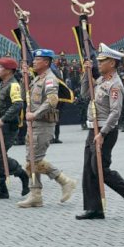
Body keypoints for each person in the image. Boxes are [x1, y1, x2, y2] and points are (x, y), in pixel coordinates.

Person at [76, 43, 124, 220]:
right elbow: (84, 94)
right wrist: (87, 74)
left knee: (98, 168)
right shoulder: (101, 81)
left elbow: (116, 113)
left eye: (102, 61)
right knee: (89, 169)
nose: (99, 64)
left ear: (112, 63)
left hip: (106, 131)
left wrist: (102, 133)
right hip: (93, 129)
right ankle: (94, 208)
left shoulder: (115, 85)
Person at [17, 48, 78, 208]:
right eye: (34, 59)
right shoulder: (37, 78)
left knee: (34, 160)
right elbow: (24, 96)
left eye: (37, 60)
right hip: (34, 124)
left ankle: (65, 181)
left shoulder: (50, 79)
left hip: (43, 123)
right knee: (31, 160)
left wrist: (35, 114)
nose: (34, 62)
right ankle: (35, 195)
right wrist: (24, 79)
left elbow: (52, 100)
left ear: (46, 62)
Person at [0, 57, 30, 200]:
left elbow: (18, 104)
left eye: (1, 68)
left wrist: (3, 119)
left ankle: (22, 174)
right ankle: (1, 189)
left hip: (7, 127)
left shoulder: (13, 85)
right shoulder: (2, 84)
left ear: (9, 70)